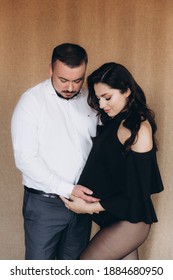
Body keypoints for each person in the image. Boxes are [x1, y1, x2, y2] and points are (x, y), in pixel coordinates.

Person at [60, 62, 164, 260]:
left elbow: (139, 192)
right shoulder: (114, 120)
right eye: (98, 98)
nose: (101, 105)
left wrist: (89, 207)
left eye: (107, 97)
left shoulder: (138, 129)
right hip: (114, 218)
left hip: (130, 222)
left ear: (126, 91)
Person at [11, 43, 99, 260]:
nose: (70, 87)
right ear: (51, 69)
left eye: (77, 80)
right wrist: (68, 188)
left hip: (82, 205)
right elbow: (25, 159)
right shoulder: (31, 102)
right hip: (44, 205)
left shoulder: (91, 101)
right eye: (63, 80)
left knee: (74, 268)